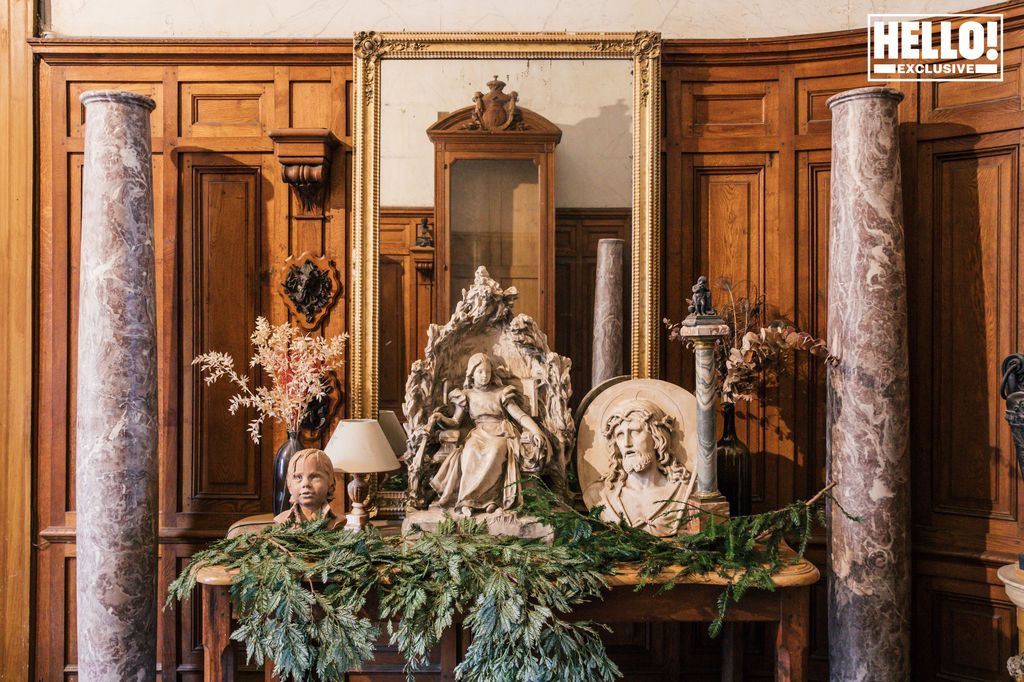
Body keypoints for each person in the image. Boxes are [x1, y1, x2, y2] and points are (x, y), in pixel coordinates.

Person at [428, 353, 548, 516]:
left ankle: (492, 501)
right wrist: (440, 419)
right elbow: (455, 421)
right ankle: (467, 501)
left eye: (487, 372)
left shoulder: (501, 393)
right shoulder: (466, 395)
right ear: (472, 373)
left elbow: (520, 416)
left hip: (500, 432)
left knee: (495, 451)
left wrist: (536, 431)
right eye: (480, 372)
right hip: (478, 434)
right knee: (469, 453)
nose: (484, 376)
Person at [587, 400, 695, 536]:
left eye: (635, 432)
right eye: (620, 435)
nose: (627, 443)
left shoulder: (685, 492)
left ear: (657, 438)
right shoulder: (600, 495)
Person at [273, 448, 341, 528]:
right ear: (289, 486)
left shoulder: (338, 521)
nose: (305, 484)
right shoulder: (282, 520)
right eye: (298, 477)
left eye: (315, 477)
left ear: (330, 485)